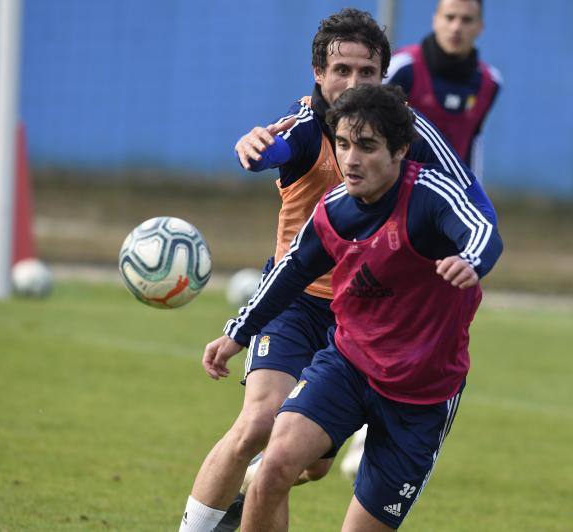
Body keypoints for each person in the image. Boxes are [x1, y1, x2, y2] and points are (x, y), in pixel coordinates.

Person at [179, 9, 499, 532]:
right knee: (262, 428)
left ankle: (252, 491)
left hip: (376, 323)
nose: (352, 82)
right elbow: (277, 153)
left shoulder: (415, 151)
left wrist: (472, 255)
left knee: (313, 466)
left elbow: (475, 207)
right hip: (302, 304)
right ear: (317, 74)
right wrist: (253, 148)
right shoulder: (308, 129)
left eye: (366, 72)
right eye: (341, 70)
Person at [385, 0, 500, 178]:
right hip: (395, 190)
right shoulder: (401, 68)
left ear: (480, 27)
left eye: (466, 20)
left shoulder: (490, 82)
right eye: (450, 17)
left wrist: (475, 197)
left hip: (449, 197)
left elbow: (474, 141)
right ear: (435, 20)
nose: (456, 27)